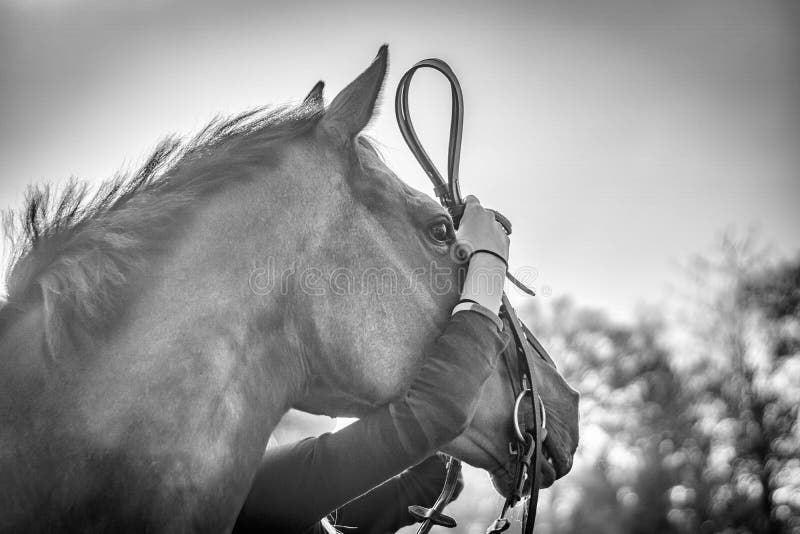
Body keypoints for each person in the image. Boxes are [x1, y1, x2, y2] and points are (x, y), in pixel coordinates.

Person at [234, 196, 511, 533]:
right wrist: (489, 268)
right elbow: (436, 414)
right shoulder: (251, 493)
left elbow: (432, 479)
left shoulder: (324, 508)